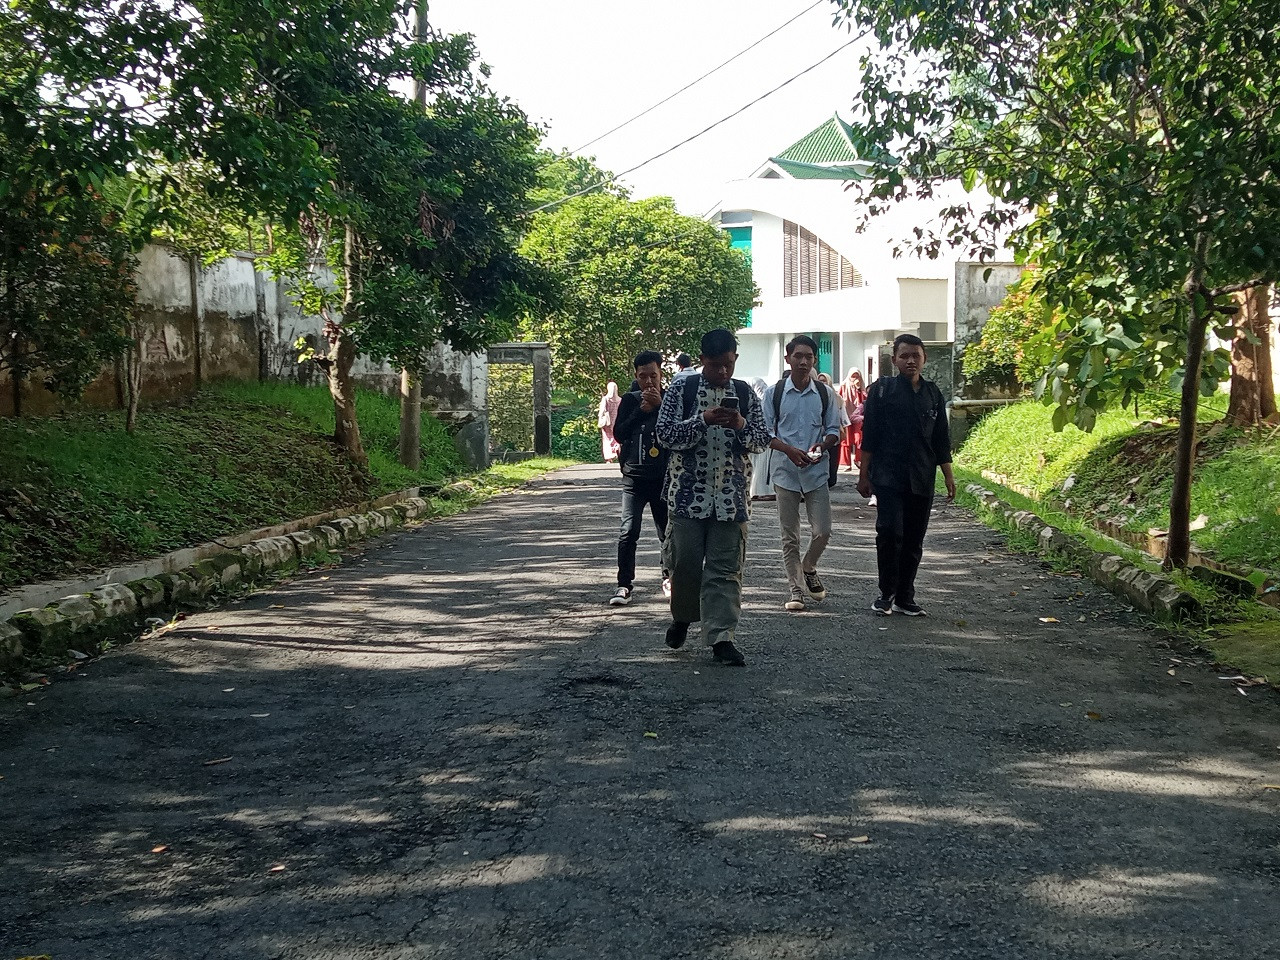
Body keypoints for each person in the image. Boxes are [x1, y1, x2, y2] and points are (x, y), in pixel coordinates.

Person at [656, 328, 771, 666]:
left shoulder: (746, 393)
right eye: (717, 365)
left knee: (726, 569)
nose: (724, 372)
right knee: (685, 564)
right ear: (702, 359)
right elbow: (665, 434)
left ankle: (722, 637)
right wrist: (702, 420)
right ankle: (682, 617)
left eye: (729, 365)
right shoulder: (682, 388)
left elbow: (762, 439)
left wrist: (739, 425)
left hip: (731, 498)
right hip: (687, 497)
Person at [857, 333, 956, 617]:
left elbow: (941, 439)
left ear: (924, 358)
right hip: (888, 476)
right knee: (889, 532)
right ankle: (886, 593)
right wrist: (863, 476)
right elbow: (870, 435)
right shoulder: (882, 391)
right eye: (905, 356)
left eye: (916, 355)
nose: (910, 360)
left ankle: (905, 597)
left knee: (914, 538)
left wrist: (948, 475)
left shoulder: (933, 393)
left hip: (922, 476)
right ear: (895, 360)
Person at [762, 337, 843, 613]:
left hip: (816, 471)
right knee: (789, 535)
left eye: (809, 356)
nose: (804, 361)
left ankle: (809, 566)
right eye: (798, 356)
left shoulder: (824, 393)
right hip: (784, 471)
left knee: (823, 530)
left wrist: (821, 445)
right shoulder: (774, 393)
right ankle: (796, 589)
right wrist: (788, 450)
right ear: (788, 359)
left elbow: (834, 429)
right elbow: (765, 434)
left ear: (814, 360)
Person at [608, 352, 671, 606]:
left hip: (662, 479)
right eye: (643, 376)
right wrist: (641, 412)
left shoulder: (670, 400)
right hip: (633, 479)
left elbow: (676, 431)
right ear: (636, 376)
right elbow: (619, 434)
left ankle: (669, 578)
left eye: (653, 376)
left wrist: (658, 407)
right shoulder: (630, 401)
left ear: (660, 375)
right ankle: (624, 585)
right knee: (628, 532)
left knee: (667, 532)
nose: (648, 381)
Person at [747, 377, 774, 502]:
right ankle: (758, 490)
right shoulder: (762, 399)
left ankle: (759, 491)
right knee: (759, 465)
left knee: (761, 465)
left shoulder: (763, 399)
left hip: (762, 435)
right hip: (760, 434)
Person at [837, 367, 867, 472]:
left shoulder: (861, 386)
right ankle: (846, 463)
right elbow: (839, 400)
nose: (855, 378)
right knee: (846, 440)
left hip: (858, 418)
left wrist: (859, 389)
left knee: (859, 439)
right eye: (853, 376)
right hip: (846, 417)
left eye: (857, 376)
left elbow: (865, 399)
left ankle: (858, 460)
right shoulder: (844, 386)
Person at [597, 381, 621, 462]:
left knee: (607, 439)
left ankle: (609, 457)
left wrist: (600, 419)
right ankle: (617, 453)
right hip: (617, 422)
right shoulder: (620, 400)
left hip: (607, 423)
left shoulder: (606, 399)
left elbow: (602, 411)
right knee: (616, 438)